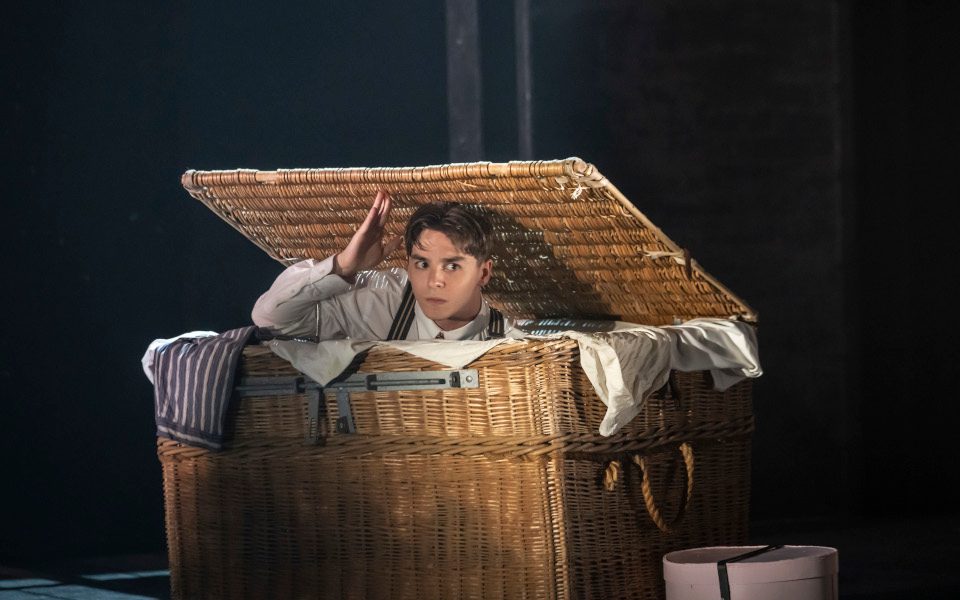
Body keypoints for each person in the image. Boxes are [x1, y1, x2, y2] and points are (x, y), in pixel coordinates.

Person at [251, 191, 524, 341]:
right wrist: (344, 265)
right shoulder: (384, 303)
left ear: (484, 273)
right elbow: (271, 318)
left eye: (452, 267)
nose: (434, 281)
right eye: (422, 264)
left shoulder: (510, 343)